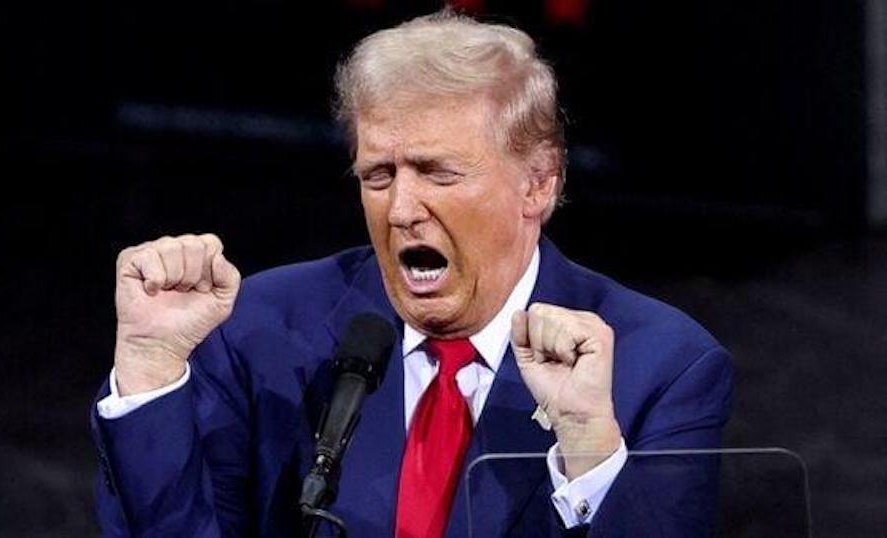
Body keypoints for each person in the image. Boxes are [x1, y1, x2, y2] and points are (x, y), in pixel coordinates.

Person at [92, 10, 732, 538]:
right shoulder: (262, 330)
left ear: (538, 183)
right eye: (378, 175)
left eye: (437, 173)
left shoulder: (662, 366)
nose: (400, 210)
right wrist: (149, 370)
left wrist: (588, 448)